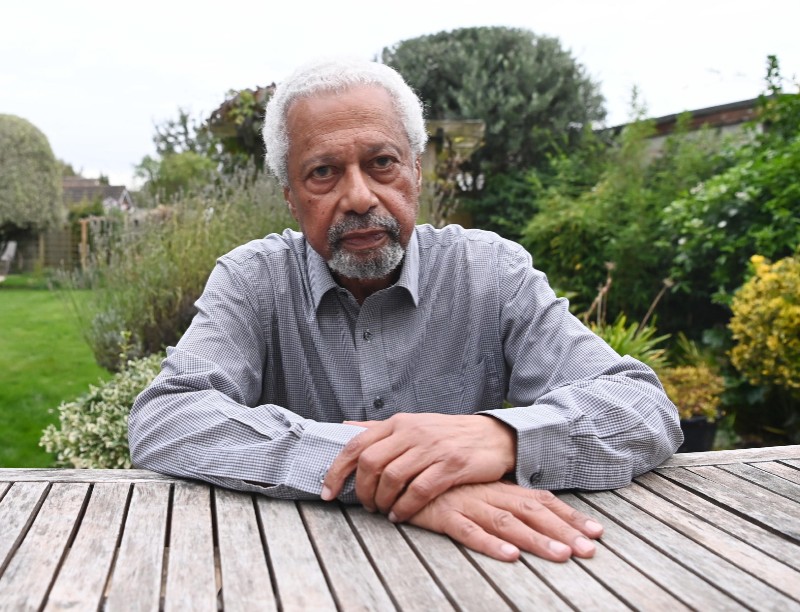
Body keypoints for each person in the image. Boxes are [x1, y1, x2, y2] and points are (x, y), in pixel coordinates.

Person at [130, 58, 683, 563]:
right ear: (291, 198)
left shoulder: (491, 271)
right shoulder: (253, 280)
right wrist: (383, 473)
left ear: (416, 172)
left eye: (382, 163)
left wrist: (502, 438)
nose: (359, 197)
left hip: (480, 572)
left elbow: (642, 406)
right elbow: (168, 418)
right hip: (297, 569)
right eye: (323, 172)